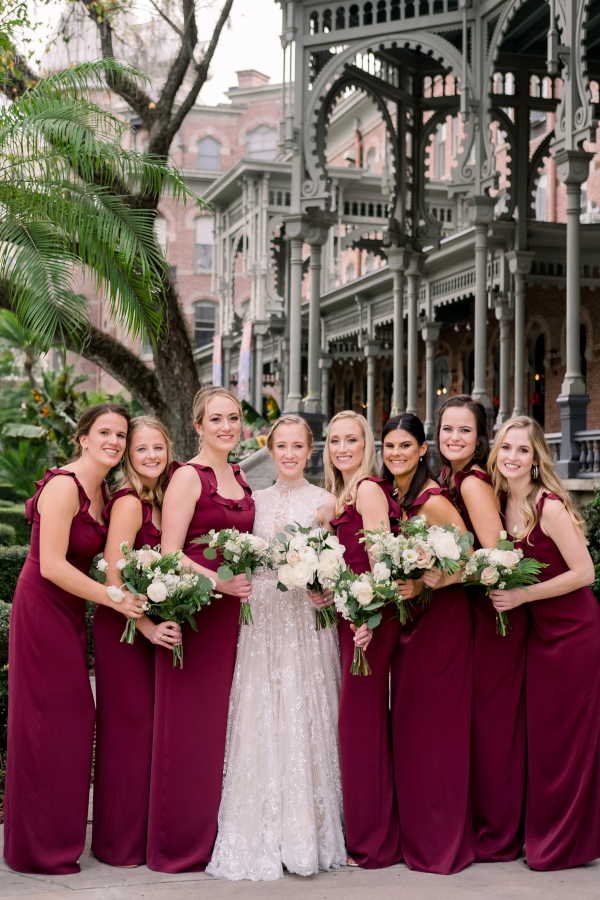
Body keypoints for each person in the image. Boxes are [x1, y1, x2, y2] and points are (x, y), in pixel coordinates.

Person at [3, 404, 143, 875]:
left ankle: (56, 839)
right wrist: (113, 599)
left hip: (71, 609)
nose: (114, 441)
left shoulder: (104, 489)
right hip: (43, 608)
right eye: (105, 432)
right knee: (49, 721)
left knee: (71, 721)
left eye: (121, 434)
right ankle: (36, 849)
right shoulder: (64, 485)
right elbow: (51, 565)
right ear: (82, 437)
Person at [207, 415, 346, 881]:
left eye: (297, 447)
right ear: (269, 448)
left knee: (306, 712)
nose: (288, 454)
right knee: (261, 712)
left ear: (311, 451)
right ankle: (260, 829)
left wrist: (326, 586)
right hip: (262, 616)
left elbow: (340, 562)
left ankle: (310, 833)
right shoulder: (254, 501)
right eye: (280, 446)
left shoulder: (326, 502)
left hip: (305, 619)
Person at [146, 386, 255, 873]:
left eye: (232, 418)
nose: (226, 426)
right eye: (216, 419)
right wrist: (220, 582)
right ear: (197, 426)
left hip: (236, 618)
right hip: (197, 614)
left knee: (222, 732)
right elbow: (171, 552)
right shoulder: (188, 477)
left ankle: (216, 836)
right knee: (188, 731)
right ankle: (176, 844)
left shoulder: (240, 475)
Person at [488, 417, 600, 871]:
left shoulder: (548, 506)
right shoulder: (498, 504)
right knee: (546, 739)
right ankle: (544, 832)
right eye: (506, 448)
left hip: (573, 634)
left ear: (536, 460)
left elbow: (585, 574)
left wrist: (522, 595)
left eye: (523, 450)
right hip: (538, 635)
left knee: (570, 738)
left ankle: (568, 843)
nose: (513, 457)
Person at [436, 396, 527, 862]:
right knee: (481, 724)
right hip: (473, 612)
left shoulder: (471, 483)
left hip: (494, 614)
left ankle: (500, 832)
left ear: (480, 437)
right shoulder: (451, 478)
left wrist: (446, 575)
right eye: (447, 429)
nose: (454, 437)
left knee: (494, 727)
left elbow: (495, 558)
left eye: (464, 431)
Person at [383, 413, 474, 874]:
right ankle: (415, 832)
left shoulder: (433, 501)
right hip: (410, 624)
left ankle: (442, 842)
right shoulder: (391, 497)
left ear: (423, 450)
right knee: (411, 726)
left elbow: (475, 560)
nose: (396, 453)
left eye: (406, 446)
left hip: (443, 622)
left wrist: (427, 585)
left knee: (436, 729)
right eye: (389, 446)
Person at [92, 416, 182, 868]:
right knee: (131, 733)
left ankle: (148, 837)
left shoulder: (166, 498)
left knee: (154, 734)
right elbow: (112, 575)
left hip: (154, 628)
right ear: (129, 457)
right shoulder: (129, 502)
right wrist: (145, 626)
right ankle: (119, 845)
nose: (150, 456)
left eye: (157, 448)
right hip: (124, 629)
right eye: (141, 449)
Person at [318, 410, 402, 870]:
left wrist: (368, 617)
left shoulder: (368, 489)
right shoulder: (340, 494)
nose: (343, 447)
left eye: (352, 439)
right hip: (348, 616)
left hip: (371, 619)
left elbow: (381, 560)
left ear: (366, 445)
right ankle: (366, 832)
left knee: (359, 724)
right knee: (356, 723)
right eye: (335, 440)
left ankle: (373, 845)